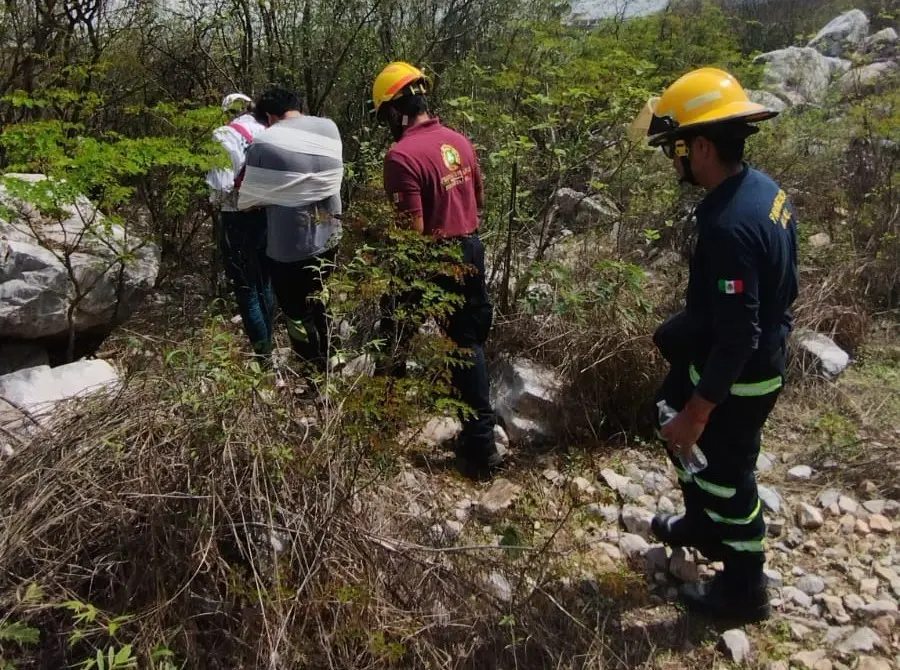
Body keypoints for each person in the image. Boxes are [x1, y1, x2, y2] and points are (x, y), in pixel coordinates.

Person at [636, 67, 798, 623]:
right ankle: (702, 523)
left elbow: (739, 332)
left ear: (701, 146)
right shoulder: (763, 189)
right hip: (741, 356)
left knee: (730, 477)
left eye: (674, 148)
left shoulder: (730, 224)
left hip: (740, 372)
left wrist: (699, 412)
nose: (670, 159)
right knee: (667, 412)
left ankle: (745, 588)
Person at [369, 61, 503, 477]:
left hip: (428, 259)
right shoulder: (459, 141)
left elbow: (413, 231)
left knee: (394, 334)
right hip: (470, 249)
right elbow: (476, 201)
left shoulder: (401, 155)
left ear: (394, 111)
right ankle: (482, 449)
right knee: (467, 348)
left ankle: (381, 425)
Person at [237, 87, 343, 374]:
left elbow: (246, 200)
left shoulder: (264, 142)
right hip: (331, 234)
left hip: (289, 246)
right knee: (323, 298)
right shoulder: (329, 128)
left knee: (296, 314)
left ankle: (313, 374)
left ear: (270, 117)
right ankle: (335, 358)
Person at [206, 93, 274, 358]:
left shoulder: (224, 134)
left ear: (226, 112)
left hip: (237, 217)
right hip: (268, 216)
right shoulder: (267, 131)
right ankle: (269, 344)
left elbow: (220, 188)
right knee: (265, 283)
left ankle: (263, 357)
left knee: (246, 289)